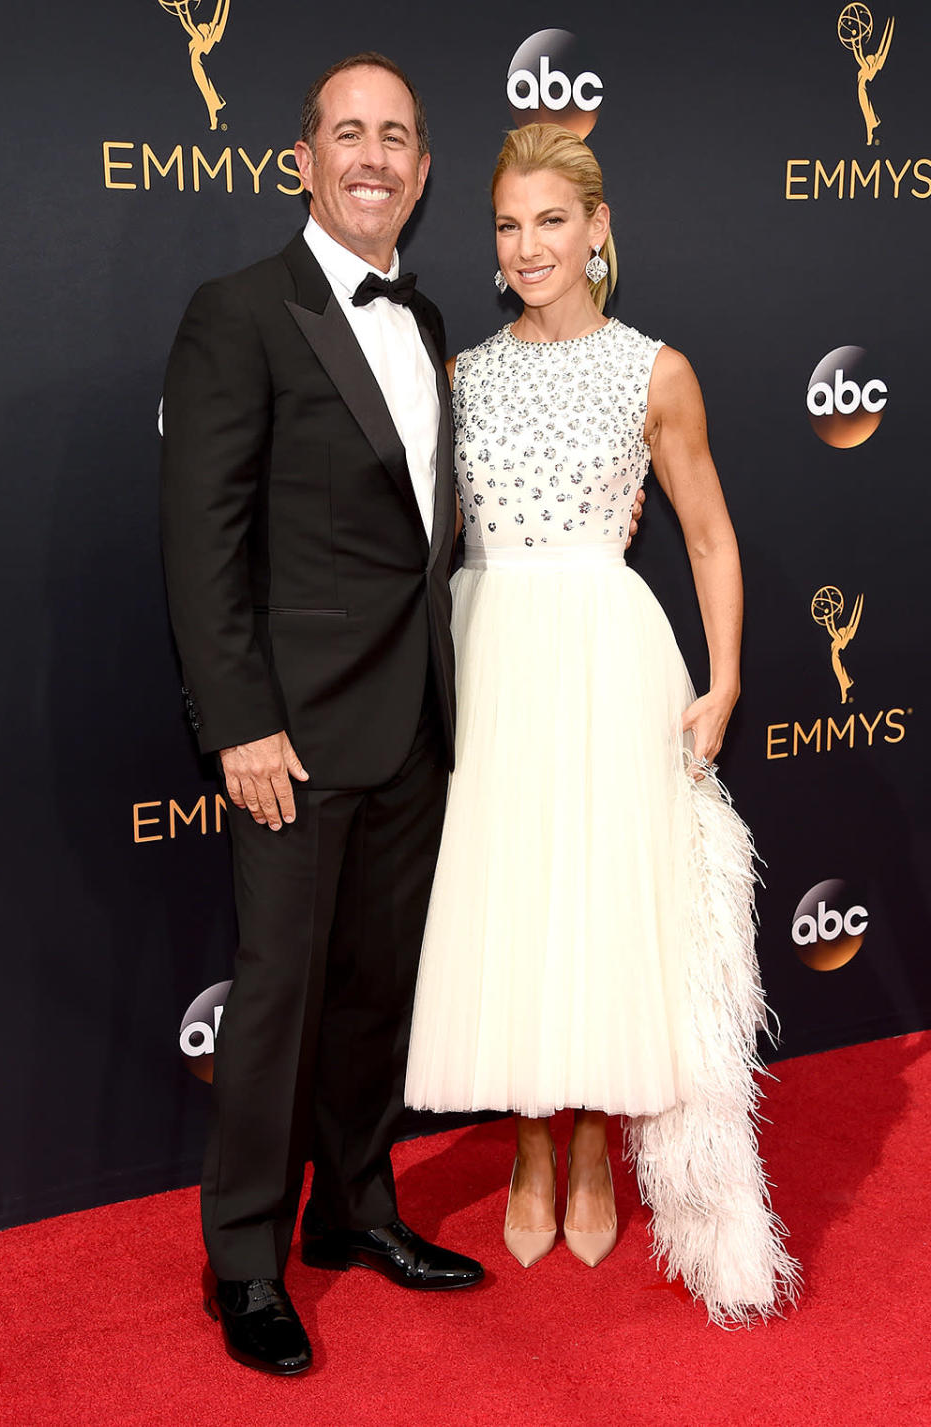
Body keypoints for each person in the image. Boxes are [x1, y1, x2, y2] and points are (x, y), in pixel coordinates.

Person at [405, 123, 801, 1326]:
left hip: (609, 655)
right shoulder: (465, 371)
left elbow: (709, 535)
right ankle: (532, 1140)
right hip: (494, 656)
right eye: (508, 227)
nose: (529, 246)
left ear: (598, 231)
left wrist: (725, 679)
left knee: (596, 901)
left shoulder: (655, 369)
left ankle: (590, 1144)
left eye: (551, 223)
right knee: (515, 901)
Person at [160, 53, 496, 1377]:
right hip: (292, 737)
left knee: (371, 996)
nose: (373, 155)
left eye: (397, 136)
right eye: (347, 133)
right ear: (301, 157)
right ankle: (244, 1257)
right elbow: (201, 537)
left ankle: (356, 1208)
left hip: (415, 722)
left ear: (421, 169)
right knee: (282, 998)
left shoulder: (424, 320)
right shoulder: (237, 311)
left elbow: (425, 532)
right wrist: (240, 721)